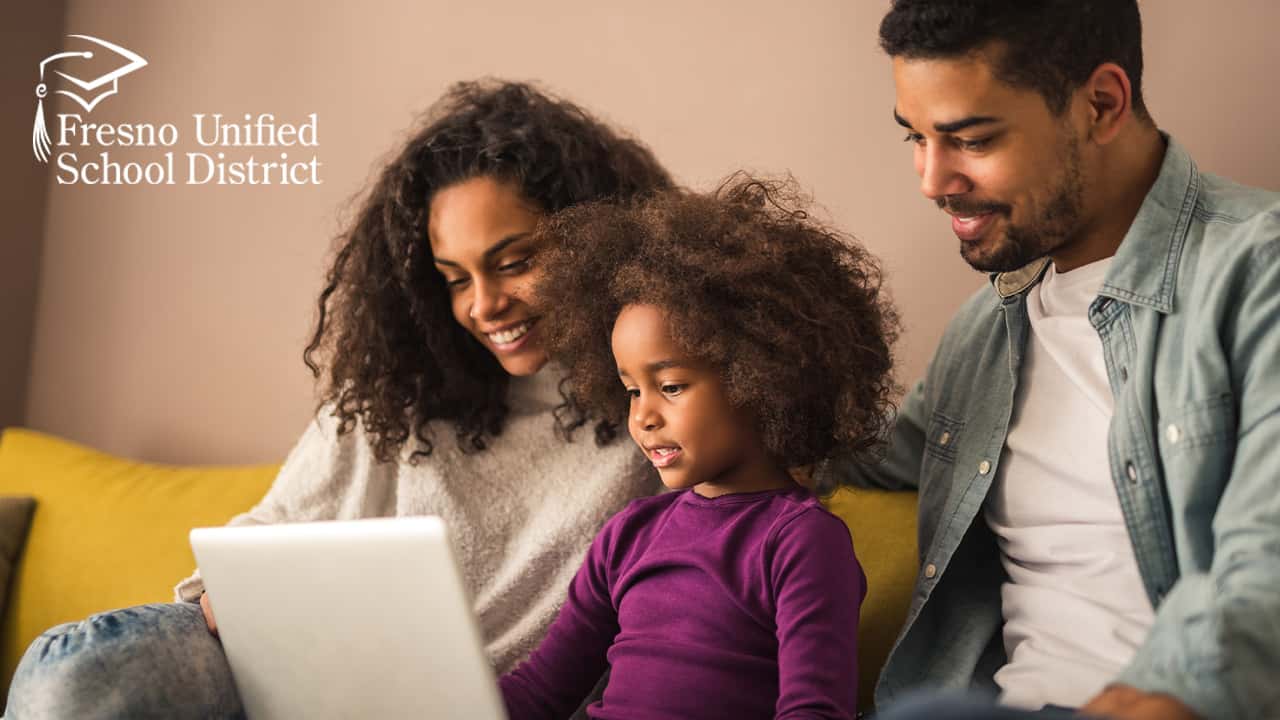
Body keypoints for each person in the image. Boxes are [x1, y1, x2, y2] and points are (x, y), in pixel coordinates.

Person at [6, 80, 674, 719]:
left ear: (594, 241)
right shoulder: (400, 392)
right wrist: (231, 595)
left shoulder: (655, 405)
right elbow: (269, 532)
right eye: (453, 279)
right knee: (76, 666)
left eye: (513, 261)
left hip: (490, 704)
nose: (483, 305)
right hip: (296, 675)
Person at [821, 2, 1280, 719]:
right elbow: (852, 450)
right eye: (916, 137)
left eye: (970, 139)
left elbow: (1268, 562)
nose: (931, 179)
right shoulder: (983, 332)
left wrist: (1172, 696)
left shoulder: (1257, 272)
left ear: (1100, 104)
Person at [498, 176, 899, 719]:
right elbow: (540, 692)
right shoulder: (628, 537)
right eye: (631, 390)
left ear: (760, 377)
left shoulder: (801, 541)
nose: (642, 415)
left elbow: (813, 712)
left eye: (670, 387)